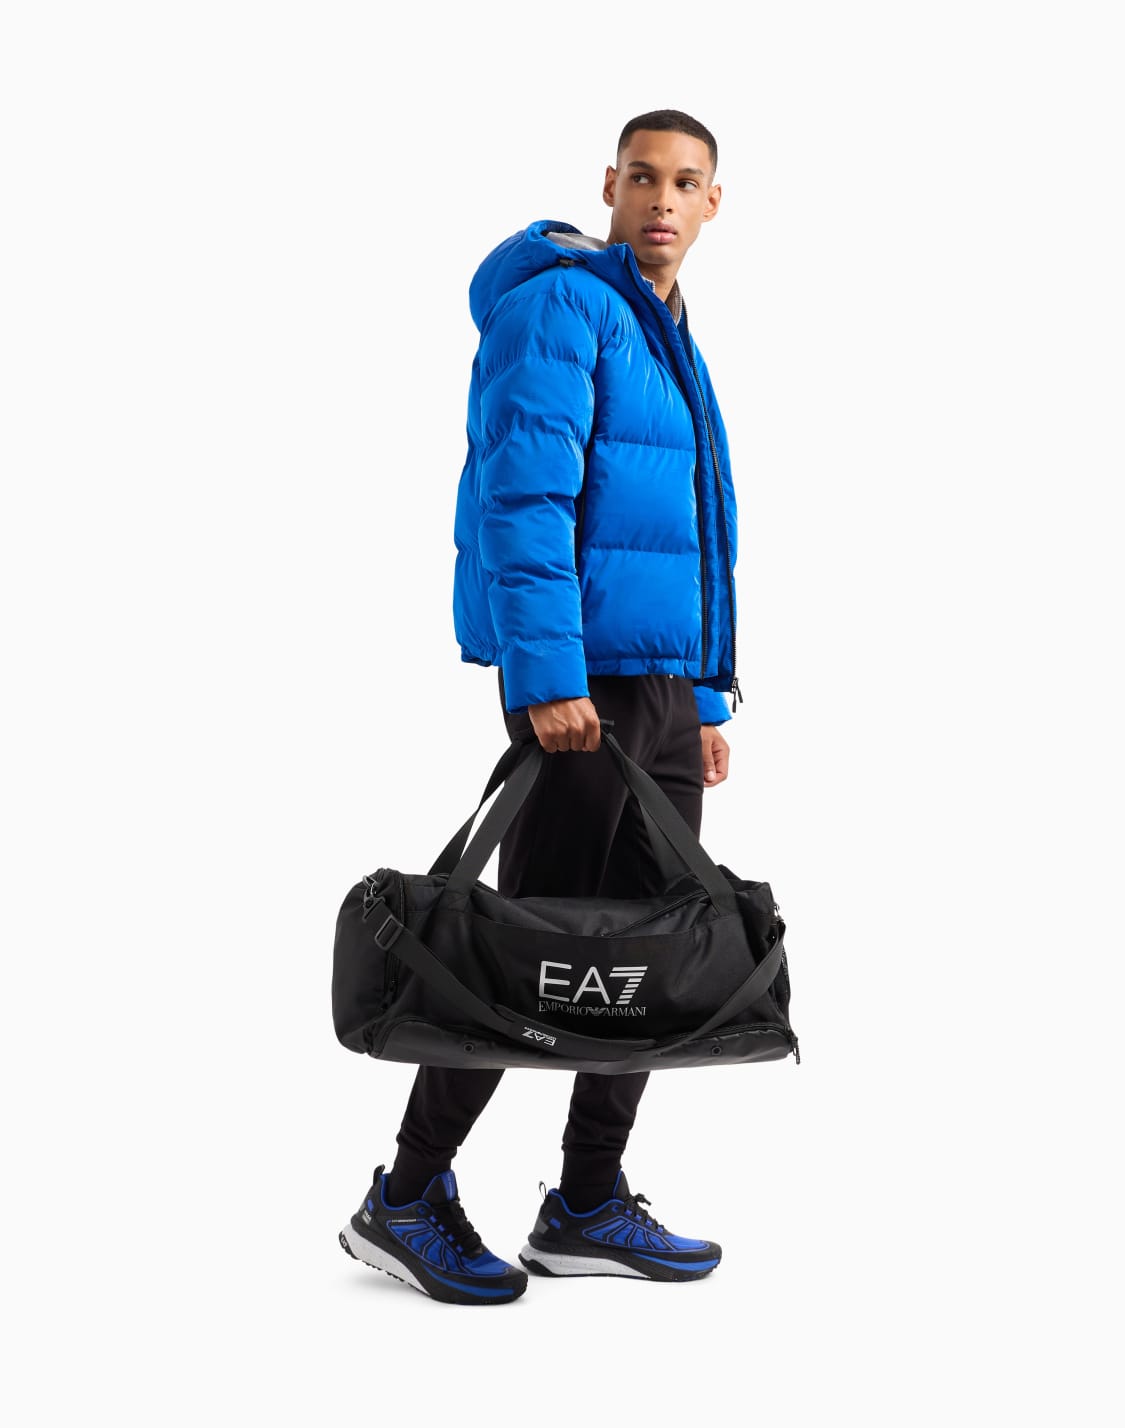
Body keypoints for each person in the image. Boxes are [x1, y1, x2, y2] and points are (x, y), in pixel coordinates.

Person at [339, 110, 742, 1306]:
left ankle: (586, 1202)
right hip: (583, 692)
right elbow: (526, 496)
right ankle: (406, 1195)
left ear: (714, 203)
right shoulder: (565, 305)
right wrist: (551, 677)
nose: (662, 201)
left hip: (657, 692)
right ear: (608, 185)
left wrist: (700, 695)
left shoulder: (666, 326)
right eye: (643, 178)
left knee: (650, 957)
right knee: (530, 955)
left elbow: (684, 533)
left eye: (686, 183)